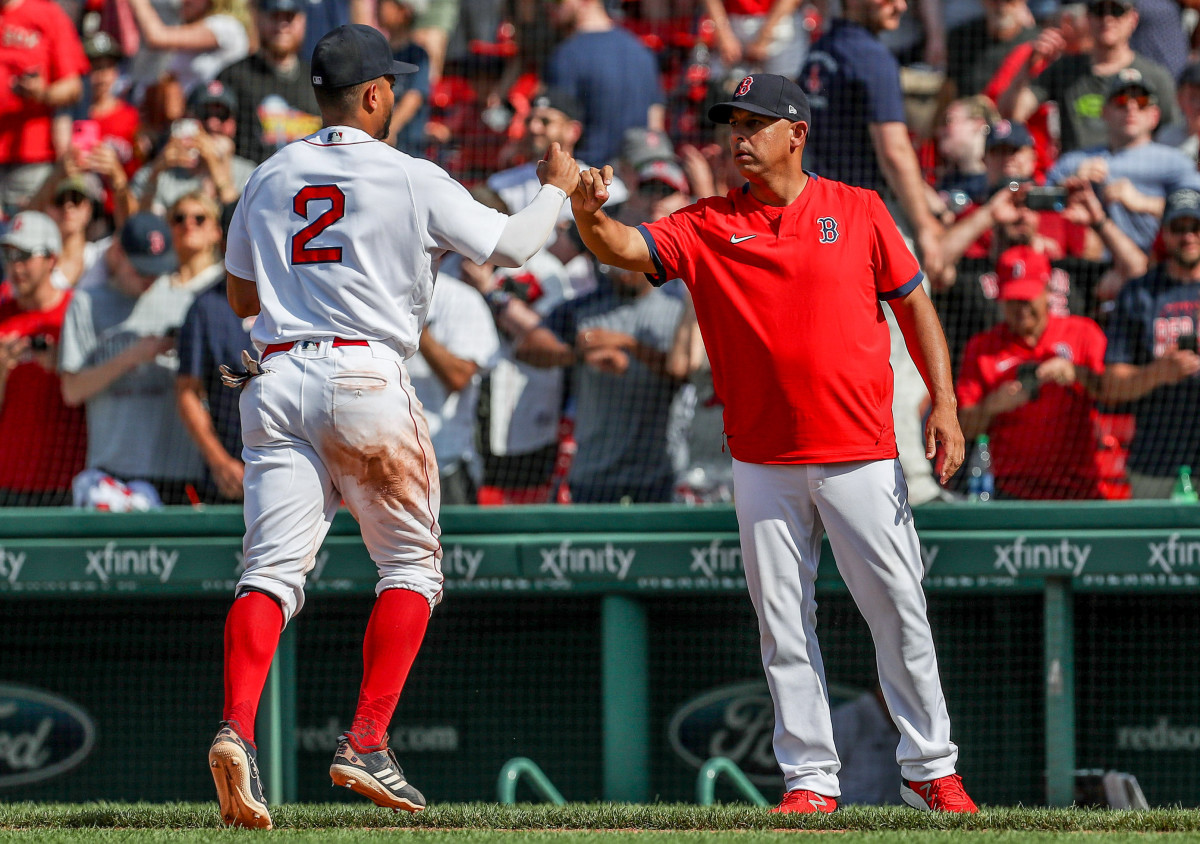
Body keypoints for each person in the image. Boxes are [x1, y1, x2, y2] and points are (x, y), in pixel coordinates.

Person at [568, 73, 976, 813]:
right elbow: (623, 246)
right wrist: (587, 213)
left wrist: (945, 404)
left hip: (860, 448)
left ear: (798, 133)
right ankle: (811, 780)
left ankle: (931, 767)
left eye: (756, 123)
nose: (739, 137)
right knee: (783, 624)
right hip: (761, 458)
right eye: (733, 123)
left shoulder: (858, 209)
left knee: (899, 610)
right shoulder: (705, 223)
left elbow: (915, 304)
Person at [209, 23, 581, 828]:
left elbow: (241, 299)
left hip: (273, 378)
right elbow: (514, 245)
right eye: (393, 87)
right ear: (375, 95)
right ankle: (367, 741)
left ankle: (237, 727)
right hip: (363, 375)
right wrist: (556, 186)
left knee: (269, 573)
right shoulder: (411, 175)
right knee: (411, 565)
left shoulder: (270, 174)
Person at [799, 0, 950, 507]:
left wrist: (924, 196)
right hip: (867, 235)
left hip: (819, 231)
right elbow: (893, 148)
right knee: (900, 358)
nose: (901, 4)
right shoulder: (870, 55)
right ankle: (914, 484)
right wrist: (926, 228)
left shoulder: (820, 52)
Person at [58, 212, 208, 505]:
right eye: (141, 270)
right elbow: (71, 390)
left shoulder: (185, 302)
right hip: (114, 472)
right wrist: (131, 356)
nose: (150, 279)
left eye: (157, 270)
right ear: (117, 253)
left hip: (178, 469)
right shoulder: (87, 304)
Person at [957, 246, 1108, 499]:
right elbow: (963, 428)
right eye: (1013, 300)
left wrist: (1076, 374)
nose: (1021, 309)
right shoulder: (982, 348)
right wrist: (992, 405)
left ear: (1048, 290)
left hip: (1081, 490)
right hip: (1012, 492)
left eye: (1028, 298)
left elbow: (1113, 394)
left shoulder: (1083, 333)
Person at [1102, 188, 1200, 498]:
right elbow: (1112, 387)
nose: (1188, 236)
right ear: (1164, 233)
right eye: (1178, 228)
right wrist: (1159, 372)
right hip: (1155, 457)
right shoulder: (1139, 293)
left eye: (1196, 227)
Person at [1046, 68, 1200, 254]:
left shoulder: (1175, 161)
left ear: (1155, 115)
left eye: (1141, 102)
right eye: (1121, 101)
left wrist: (1143, 202)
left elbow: (1195, 208)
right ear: (1104, 112)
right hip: (1089, 264)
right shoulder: (1075, 162)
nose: (1131, 108)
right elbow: (1036, 203)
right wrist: (1068, 189)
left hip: (1153, 266)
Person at [998, 0, 1181, 154]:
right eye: (1099, 11)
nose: (1108, 19)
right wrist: (1029, 66)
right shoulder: (1065, 69)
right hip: (1075, 175)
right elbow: (1011, 114)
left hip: (1135, 177)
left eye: (1117, 11)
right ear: (1087, 18)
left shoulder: (1155, 76)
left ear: (1133, 19)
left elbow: (1172, 136)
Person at [0, 211, 87, 505]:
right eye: (9, 254)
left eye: (25, 255)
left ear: (52, 258)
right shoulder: (2, 316)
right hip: (7, 483)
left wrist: (61, 366)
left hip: (68, 481)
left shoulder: (78, 311)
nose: (15, 265)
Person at [176, 202, 254, 502]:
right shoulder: (206, 308)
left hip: (298, 468)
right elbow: (187, 392)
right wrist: (219, 461)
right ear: (225, 239)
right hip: (232, 478)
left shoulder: (297, 298)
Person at [545, 0, 666, 166]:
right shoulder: (641, 51)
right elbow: (655, 125)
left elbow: (556, 131)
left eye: (558, 2)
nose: (549, 6)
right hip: (635, 176)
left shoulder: (567, 55)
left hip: (589, 179)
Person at [0, 0, 89, 216]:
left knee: (26, 237)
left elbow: (73, 87)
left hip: (30, 157)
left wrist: (41, 94)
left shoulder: (47, 14)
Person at [216, 0, 323, 164]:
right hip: (252, 182)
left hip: (310, 183)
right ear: (258, 17)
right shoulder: (234, 77)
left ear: (303, 20)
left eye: (289, 17)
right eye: (274, 16)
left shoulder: (318, 79)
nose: (282, 25)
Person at [125, 0, 252, 97]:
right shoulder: (191, 26)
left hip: (213, 114)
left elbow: (157, 37)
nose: (182, 1)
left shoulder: (226, 26)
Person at [377, 0, 432, 155]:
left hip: (408, 147)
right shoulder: (378, 52)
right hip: (378, 145)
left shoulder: (418, 55)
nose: (379, 7)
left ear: (405, 12)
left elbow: (414, 97)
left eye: (385, 3)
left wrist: (389, 129)